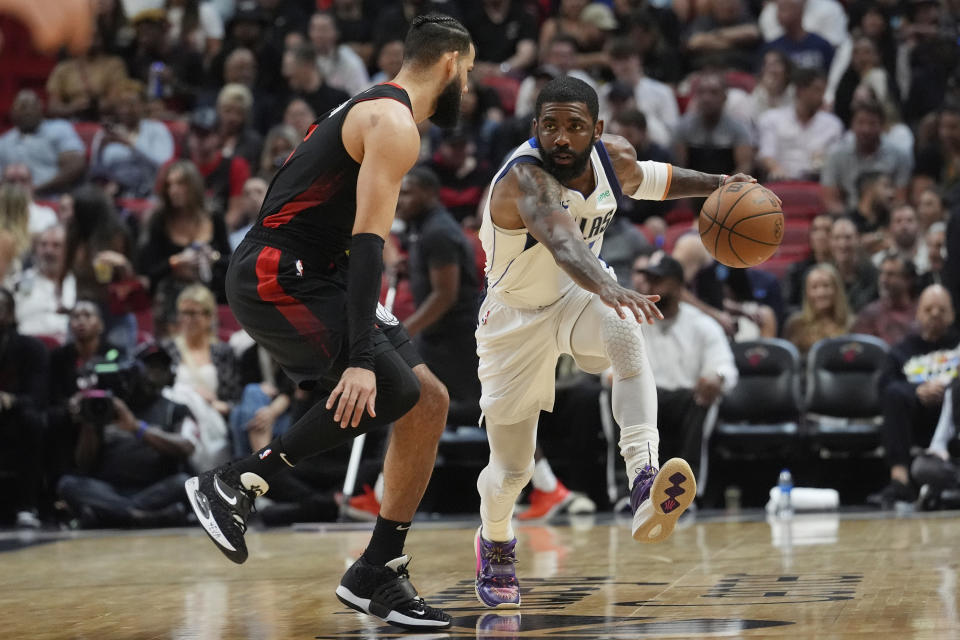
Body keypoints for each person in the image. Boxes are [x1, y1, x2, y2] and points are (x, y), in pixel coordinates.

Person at [184, 15, 475, 630]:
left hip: (321, 270)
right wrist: (363, 359)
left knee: (427, 399)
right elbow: (369, 245)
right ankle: (236, 483)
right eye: (468, 74)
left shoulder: (375, 109)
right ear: (449, 63)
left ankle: (376, 569)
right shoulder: (393, 123)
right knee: (391, 387)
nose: (468, 89)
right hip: (277, 269)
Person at [472, 75, 760, 608]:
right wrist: (608, 283)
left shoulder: (613, 158)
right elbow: (561, 241)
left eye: (575, 127)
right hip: (515, 317)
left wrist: (720, 182)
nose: (561, 137)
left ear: (596, 131)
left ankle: (644, 482)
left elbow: (657, 179)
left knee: (624, 330)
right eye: (550, 126)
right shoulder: (524, 181)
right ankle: (494, 540)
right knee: (512, 471)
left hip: (579, 300)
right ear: (535, 127)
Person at [57, 341, 196, 528]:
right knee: (67, 484)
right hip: (109, 489)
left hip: (154, 489)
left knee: (185, 483)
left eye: (160, 368)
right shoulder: (105, 407)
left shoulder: (176, 409)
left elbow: (186, 446)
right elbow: (84, 463)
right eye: (148, 366)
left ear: (170, 376)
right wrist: (89, 423)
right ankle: (145, 516)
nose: (153, 374)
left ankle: (108, 515)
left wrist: (136, 427)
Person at [637, 254, 738, 479]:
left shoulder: (703, 324)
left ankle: (684, 489)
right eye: (648, 279)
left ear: (679, 285)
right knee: (615, 398)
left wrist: (717, 377)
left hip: (687, 400)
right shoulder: (633, 322)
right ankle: (627, 492)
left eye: (658, 279)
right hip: (645, 401)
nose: (650, 286)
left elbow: (726, 367)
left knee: (704, 398)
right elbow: (609, 368)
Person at [870, 285, 959, 507]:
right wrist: (917, 391)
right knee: (893, 393)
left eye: (941, 309)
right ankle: (899, 480)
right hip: (915, 415)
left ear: (952, 314)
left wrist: (948, 388)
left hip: (954, 416)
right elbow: (884, 386)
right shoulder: (902, 350)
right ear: (918, 313)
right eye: (929, 309)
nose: (935, 314)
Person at [0, 288, 49, 528]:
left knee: (32, 420)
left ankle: (27, 505)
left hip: (16, 416)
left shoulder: (31, 348)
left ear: (10, 314)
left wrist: (11, 400)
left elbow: (38, 396)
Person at [820, 100, 912, 215]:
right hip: (849, 216)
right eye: (860, 123)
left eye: (872, 123)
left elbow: (900, 200)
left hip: (887, 217)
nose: (866, 129)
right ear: (852, 125)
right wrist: (850, 220)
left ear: (883, 126)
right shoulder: (836, 156)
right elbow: (831, 200)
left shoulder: (900, 156)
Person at [756, 67, 842, 181]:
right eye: (817, 90)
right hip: (781, 182)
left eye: (823, 91)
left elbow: (836, 160)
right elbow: (766, 154)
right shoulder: (772, 119)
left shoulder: (833, 124)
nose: (822, 97)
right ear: (800, 90)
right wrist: (776, 169)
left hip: (817, 183)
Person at [0, 90, 86, 197]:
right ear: (12, 112)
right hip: (13, 204)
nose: (27, 112)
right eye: (22, 107)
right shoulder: (4, 141)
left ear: (41, 107)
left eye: (31, 106)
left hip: (52, 197)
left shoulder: (59, 129)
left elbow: (75, 165)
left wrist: (37, 190)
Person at [13, 224, 76, 343]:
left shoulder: (76, 282)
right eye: (43, 245)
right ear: (36, 248)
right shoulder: (22, 280)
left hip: (67, 349)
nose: (48, 251)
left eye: (56, 245)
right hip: (28, 347)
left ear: (68, 250)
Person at [783, 263, 852, 356]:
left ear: (837, 289)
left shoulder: (851, 323)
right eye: (814, 287)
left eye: (826, 286)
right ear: (807, 292)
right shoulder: (795, 325)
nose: (821, 293)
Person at [852, 252, 917, 347]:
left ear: (907, 280)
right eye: (881, 273)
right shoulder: (869, 314)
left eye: (890, 274)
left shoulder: (920, 311)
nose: (883, 279)